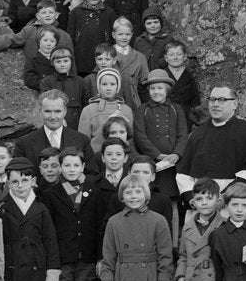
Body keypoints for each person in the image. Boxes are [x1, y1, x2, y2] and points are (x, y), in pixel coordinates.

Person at [44, 148, 100, 281]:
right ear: (60, 167)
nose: (71, 169)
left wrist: (99, 258)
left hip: (86, 254)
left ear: (83, 166)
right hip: (63, 256)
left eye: (76, 165)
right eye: (66, 165)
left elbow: (98, 225)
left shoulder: (93, 190)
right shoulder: (51, 194)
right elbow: (49, 230)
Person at [175, 84, 246, 198]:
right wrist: (192, 196)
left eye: (222, 100)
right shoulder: (197, 134)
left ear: (234, 104)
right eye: (212, 100)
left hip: (235, 200)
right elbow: (183, 172)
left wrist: (227, 194)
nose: (215, 104)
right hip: (200, 201)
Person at [133, 68, 188, 205]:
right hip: (152, 163)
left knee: (171, 200)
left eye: (159, 88)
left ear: (167, 90)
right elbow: (140, 136)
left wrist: (177, 154)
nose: (156, 92)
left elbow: (183, 134)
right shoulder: (143, 110)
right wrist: (157, 155)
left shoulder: (176, 109)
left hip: (172, 163)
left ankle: (172, 227)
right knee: (149, 197)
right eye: (152, 88)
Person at [14, 90, 98, 175]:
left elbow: (92, 173)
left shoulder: (82, 140)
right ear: (40, 112)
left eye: (57, 111)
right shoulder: (24, 143)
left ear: (65, 111)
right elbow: (18, 175)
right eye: (48, 111)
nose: (53, 117)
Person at [77, 67, 134, 154]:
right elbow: (83, 142)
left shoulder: (126, 110)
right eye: (104, 84)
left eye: (112, 84)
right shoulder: (88, 110)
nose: (108, 88)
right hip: (96, 158)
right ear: (98, 86)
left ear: (117, 87)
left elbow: (129, 140)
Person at [66, 0, 115, 75]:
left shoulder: (109, 12)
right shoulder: (76, 12)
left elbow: (113, 35)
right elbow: (70, 35)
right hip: (81, 53)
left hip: (103, 55)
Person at [40, 47, 86, 129]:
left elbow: (86, 103)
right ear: (52, 63)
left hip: (78, 122)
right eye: (58, 61)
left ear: (71, 62)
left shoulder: (80, 81)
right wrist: (59, 119)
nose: (62, 64)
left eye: (65, 61)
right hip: (56, 122)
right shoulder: (47, 82)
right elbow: (46, 104)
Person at [163, 40, 202, 126]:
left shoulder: (189, 77)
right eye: (171, 55)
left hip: (185, 118)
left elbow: (195, 101)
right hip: (165, 117)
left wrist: (194, 120)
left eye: (179, 54)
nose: (175, 57)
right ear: (166, 58)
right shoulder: (162, 75)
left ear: (185, 57)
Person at [110, 17, 149, 95]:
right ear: (114, 35)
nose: (124, 37)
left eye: (127, 34)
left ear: (131, 35)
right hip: (113, 97)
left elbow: (145, 83)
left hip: (133, 98)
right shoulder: (107, 55)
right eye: (120, 34)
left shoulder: (140, 57)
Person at [133, 8, 171, 72]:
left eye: (156, 22)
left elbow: (171, 56)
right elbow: (135, 58)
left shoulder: (168, 39)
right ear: (144, 25)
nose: (153, 26)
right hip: (143, 75)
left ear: (161, 23)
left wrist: (161, 63)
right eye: (149, 23)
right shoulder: (139, 40)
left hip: (162, 74)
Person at [23, 27, 60, 93]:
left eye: (52, 41)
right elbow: (30, 80)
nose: (48, 44)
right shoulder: (32, 60)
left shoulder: (59, 59)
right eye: (45, 40)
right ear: (39, 41)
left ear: (56, 44)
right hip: (41, 94)